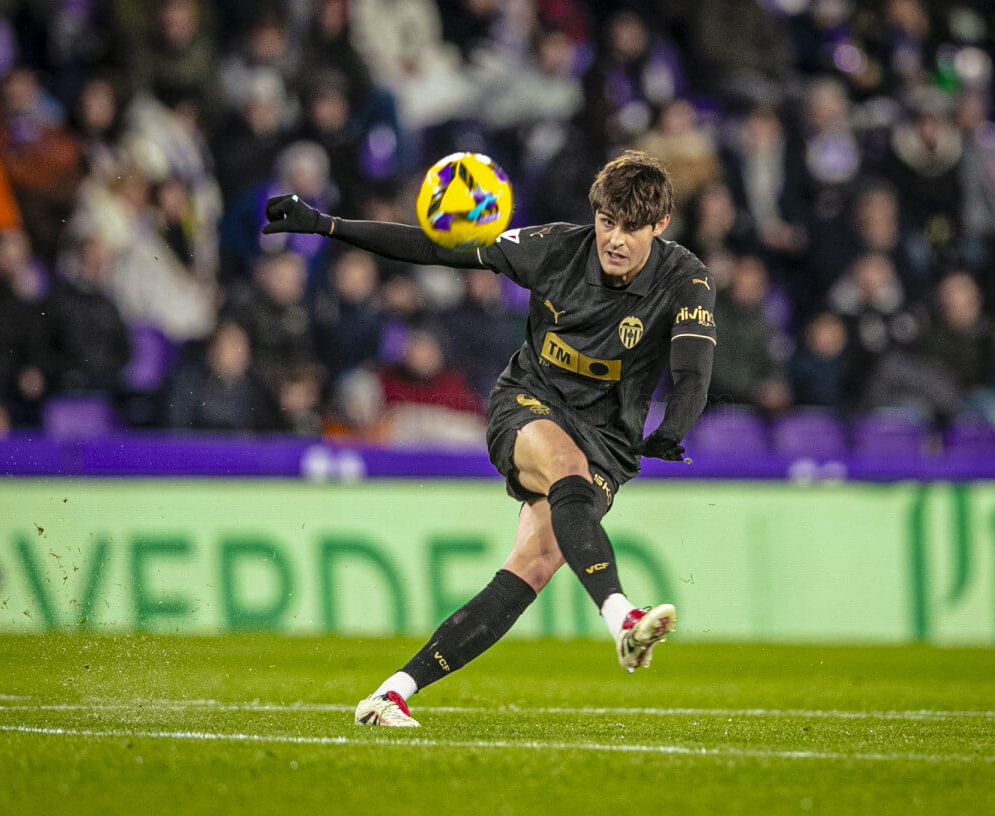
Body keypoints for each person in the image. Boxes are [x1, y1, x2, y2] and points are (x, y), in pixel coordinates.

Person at [262, 151, 716, 727]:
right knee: (563, 465)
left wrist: (673, 428)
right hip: (529, 403)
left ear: (660, 226)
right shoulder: (553, 248)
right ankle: (623, 618)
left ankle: (392, 693)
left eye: (631, 227)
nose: (615, 239)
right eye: (607, 221)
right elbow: (433, 246)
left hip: (610, 437)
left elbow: (693, 371)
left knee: (532, 566)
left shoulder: (687, 277)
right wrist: (327, 225)